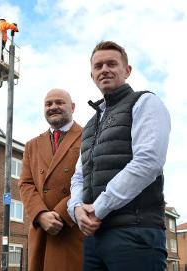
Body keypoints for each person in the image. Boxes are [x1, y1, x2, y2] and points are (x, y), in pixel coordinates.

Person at [67, 40, 170, 271]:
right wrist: (75, 209)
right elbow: (78, 177)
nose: (104, 69)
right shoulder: (91, 125)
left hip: (135, 234)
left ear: (127, 70)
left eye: (112, 64)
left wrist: (98, 208)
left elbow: (148, 161)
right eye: (98, 66)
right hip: (94, 239)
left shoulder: (145, 102)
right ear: (92, 75)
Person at [19, 89, 84, 271]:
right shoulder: (32, 145)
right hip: (41, 229)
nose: (53, 107)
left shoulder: (89, 136)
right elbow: (26, 183)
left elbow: (91, 179)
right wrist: (40, 215)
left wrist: (60, 215)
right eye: (48, 104)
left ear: (72, 107)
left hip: (72, 227)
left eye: (59, 102)